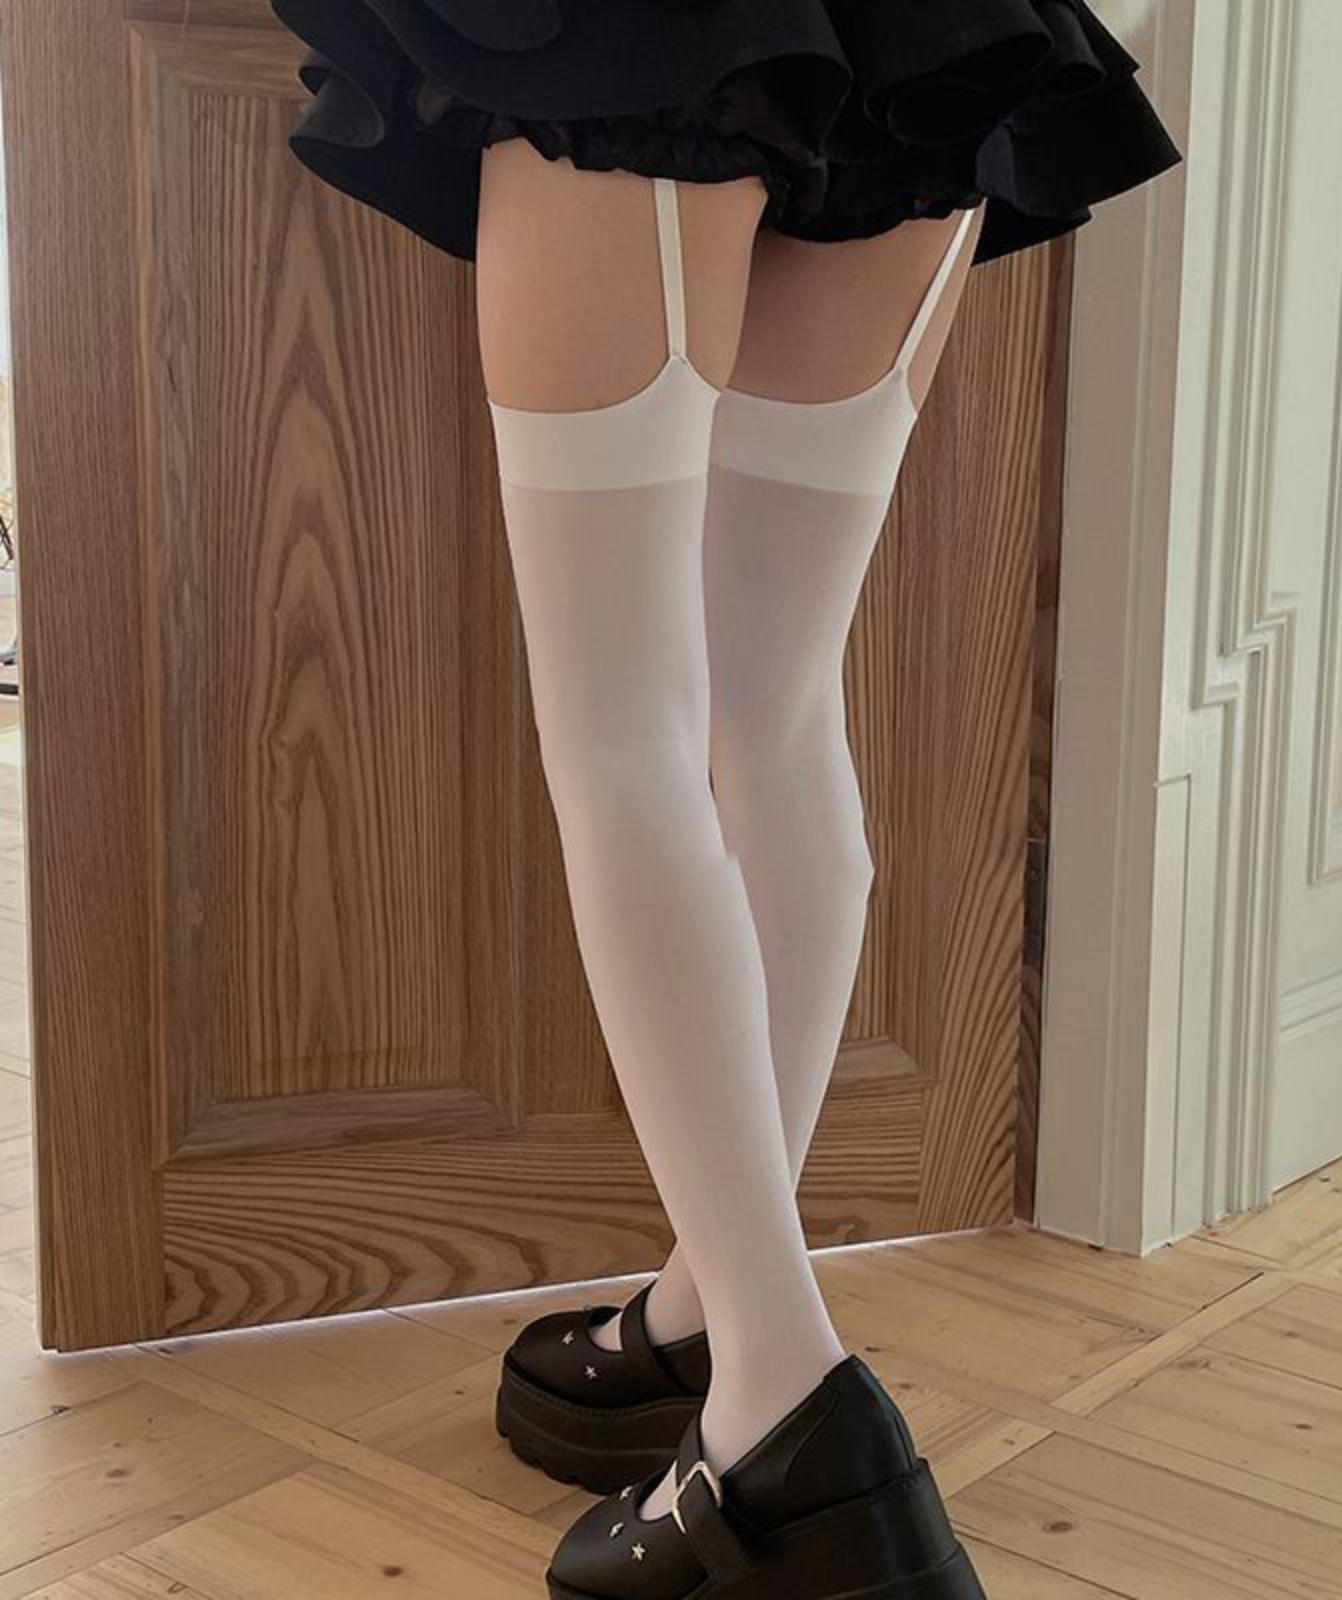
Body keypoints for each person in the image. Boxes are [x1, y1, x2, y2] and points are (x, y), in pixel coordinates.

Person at [269, 2, 1179, 1595]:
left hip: (632, 32)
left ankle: (781, 1399)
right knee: (778, 710)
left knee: (622, 732)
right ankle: (708, 1314)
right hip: (914, 31)